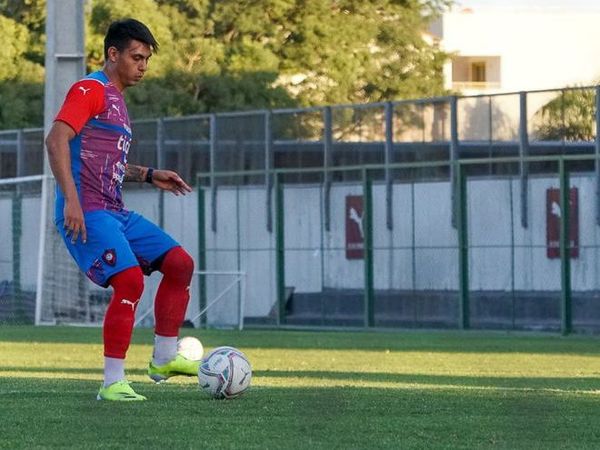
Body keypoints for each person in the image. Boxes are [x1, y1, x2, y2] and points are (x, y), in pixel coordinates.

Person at [45, 18, 198, 401]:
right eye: (136, 57)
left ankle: (164, 358)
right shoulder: (90, 89)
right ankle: (112, 382)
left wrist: (149, 175)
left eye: (146, 59)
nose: (142, 65)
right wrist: (72, 201)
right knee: (129, 281)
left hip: (115, 210)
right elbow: (55, 139)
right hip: (88, 211)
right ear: (112, 54)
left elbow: (103, 163)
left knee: (180, 264)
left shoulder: (117, 102)